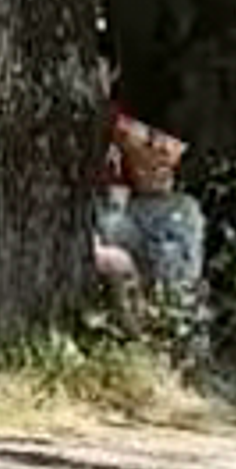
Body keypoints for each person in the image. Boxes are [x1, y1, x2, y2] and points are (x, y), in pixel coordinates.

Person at [96, 104, 209, 340]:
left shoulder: (122, 120)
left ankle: (174, 323)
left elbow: (167, 159)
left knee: (179, 226)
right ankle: (152, 329)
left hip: (144, 211)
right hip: (115, 216)